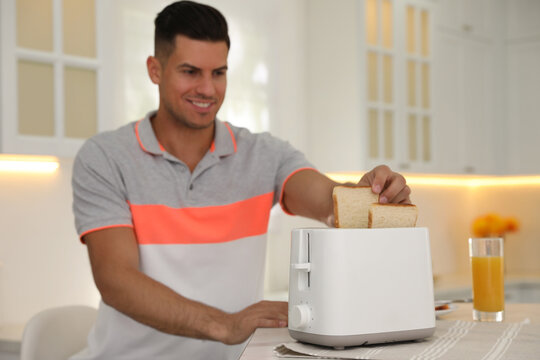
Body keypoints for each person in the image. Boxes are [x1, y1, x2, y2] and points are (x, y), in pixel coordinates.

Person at [70, 1, 411, 359]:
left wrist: (374, 196)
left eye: (219, 72)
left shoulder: (263, 155)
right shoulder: (106, 158)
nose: (207, 88)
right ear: (155, 70)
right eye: (190, 71)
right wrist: (225, 324)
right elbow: (116, 280)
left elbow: (332, 204)